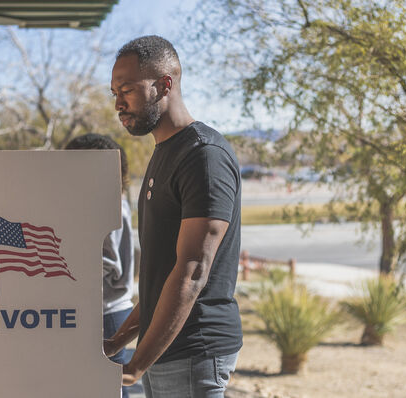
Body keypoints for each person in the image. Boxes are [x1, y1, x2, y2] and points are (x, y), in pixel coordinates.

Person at [104, 35, 243, 398]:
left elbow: (193, 270)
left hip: (194, 351)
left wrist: (137, 364)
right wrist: (116, 343)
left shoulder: (203, 156)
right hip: (162, 351)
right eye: (115, 92)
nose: (119, 103)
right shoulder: (164, 153)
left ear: (165, 85)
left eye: (128, 89)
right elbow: (159, 276)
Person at [64, 134, 135, 398]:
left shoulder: (111, 205)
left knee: (107, 389)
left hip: (108, 314)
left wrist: (67, 266)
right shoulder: (102, 202)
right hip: (106, 312)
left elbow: (108, 263)